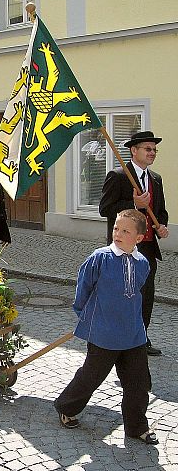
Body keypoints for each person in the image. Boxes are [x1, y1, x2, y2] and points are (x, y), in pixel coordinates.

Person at [54, 209, 158, 446]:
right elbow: (84, 286)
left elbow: (137, 291)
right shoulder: (100, 258)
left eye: (125, 231)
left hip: (133, 334)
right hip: (103, 333)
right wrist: (85, 314)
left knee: (138, 383)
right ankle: (66, 407)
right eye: (116, 229)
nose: (118, 234)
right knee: (91, 376)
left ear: (139, 238)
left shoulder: (142, 263)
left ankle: (137, 427)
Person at [99, 131, 168, 357]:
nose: (152, 153)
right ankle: (118, 340)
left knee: (145, 295)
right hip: (124, 250)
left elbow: (160, 212)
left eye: (154, 150)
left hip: (147, 247)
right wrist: (133, 204)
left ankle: (141, 339)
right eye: (148, 149)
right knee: (123, 294)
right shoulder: (118, 176)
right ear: (134, 150)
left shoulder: (155, 179)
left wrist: (162, 226)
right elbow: (105, 209)